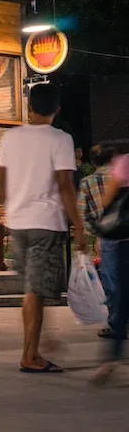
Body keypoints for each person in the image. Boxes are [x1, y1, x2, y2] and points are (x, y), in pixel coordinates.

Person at [0, 83, 85, 374]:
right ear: (57, 110)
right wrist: (79, 226)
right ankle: (30, 356)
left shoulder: (11, 137)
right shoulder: (60, 139)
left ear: (29, 108)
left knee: (32, 290)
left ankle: (39, 343)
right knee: (35, 291)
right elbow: (65, 185)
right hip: (45, 224)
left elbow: (2, 180)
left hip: (18, 224)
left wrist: (12, 207)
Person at [91, 150, 129, 385]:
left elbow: (108, 200)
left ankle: (110, 359)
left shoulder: (125, 161)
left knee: (120, 296)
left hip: (120, 240)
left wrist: (100, 232)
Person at [79, 145, 117, 339]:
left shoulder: (88, 182)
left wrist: (96, 233)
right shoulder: (122, 177)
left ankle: (117, 324)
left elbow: (82, 214)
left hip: (108, 237)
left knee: (111, 281)